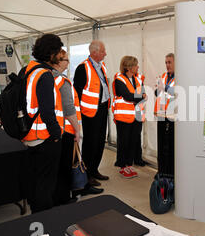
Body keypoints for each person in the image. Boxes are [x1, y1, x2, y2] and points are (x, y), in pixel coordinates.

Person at [22, 34, 64, 213]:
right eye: (59, 52)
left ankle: (36, 214)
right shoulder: (45, 75)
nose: (61, 55)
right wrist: (56, 135)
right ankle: (44, 219)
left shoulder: (29, 69)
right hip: (44, 137)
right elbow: (47, 111)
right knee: (46, 184)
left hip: (30, 135)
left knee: (35, 179)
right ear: (51, 53)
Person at [73, 41, 110, 194]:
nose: (105, 54)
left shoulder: (102, 67)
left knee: (100, 141)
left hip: (102, 109)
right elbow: (78, 91)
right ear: (94, 52)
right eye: (103, 51)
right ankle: (86, 175)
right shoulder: (83, 68)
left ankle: (94, 170)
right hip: (90, 112)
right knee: (90, 143)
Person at [50, 50, 82, 205]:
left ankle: (55, 196)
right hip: (66, 130)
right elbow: (69, 109)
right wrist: (77, 129)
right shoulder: (62, 81)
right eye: (66, 60)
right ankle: (63, 199)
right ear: (58, 60)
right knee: (64, 167)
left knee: (55, 167)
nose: (68, 63)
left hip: (51, 130)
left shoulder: (46, 77)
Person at [113, 56, 146, 178]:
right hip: (124, 117)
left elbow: (142, 94)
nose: (138, 67)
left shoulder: (137, 79)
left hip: (137, 117)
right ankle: (122, 165)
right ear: (129, 67)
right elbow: (127, 95)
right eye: (136, 65)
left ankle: (129, 164)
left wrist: (138, 95)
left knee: (133, 141)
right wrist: (139, 95)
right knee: (124, 141)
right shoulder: (119, 79)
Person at [155, 53, 175, 176]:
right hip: (161, 115)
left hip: (173, 117)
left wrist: (165, 87)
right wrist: (157, 88)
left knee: (171, 146)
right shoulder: (163, 76)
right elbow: (157, 94)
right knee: (161, 145)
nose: (167, 65)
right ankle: (161, 170)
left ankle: (170, 172)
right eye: (166, 62)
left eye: (170, 62)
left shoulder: (182, 76)